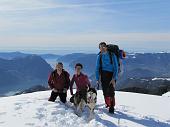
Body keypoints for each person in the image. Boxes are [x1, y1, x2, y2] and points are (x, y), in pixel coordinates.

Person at [95, 42, 118, 113]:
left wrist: (114, 78)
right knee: (105, 91)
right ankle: (108, 104)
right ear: (99, 48)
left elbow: (116, 67)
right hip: (103, 75)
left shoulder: (112, 55)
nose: (102, 48)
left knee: (111, 91)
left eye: (103, 47)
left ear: (106, 47)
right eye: (100, 47)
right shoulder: (99, 56)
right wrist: (97, 79)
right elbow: (97, 67)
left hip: (111, 75)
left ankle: (112, 107)